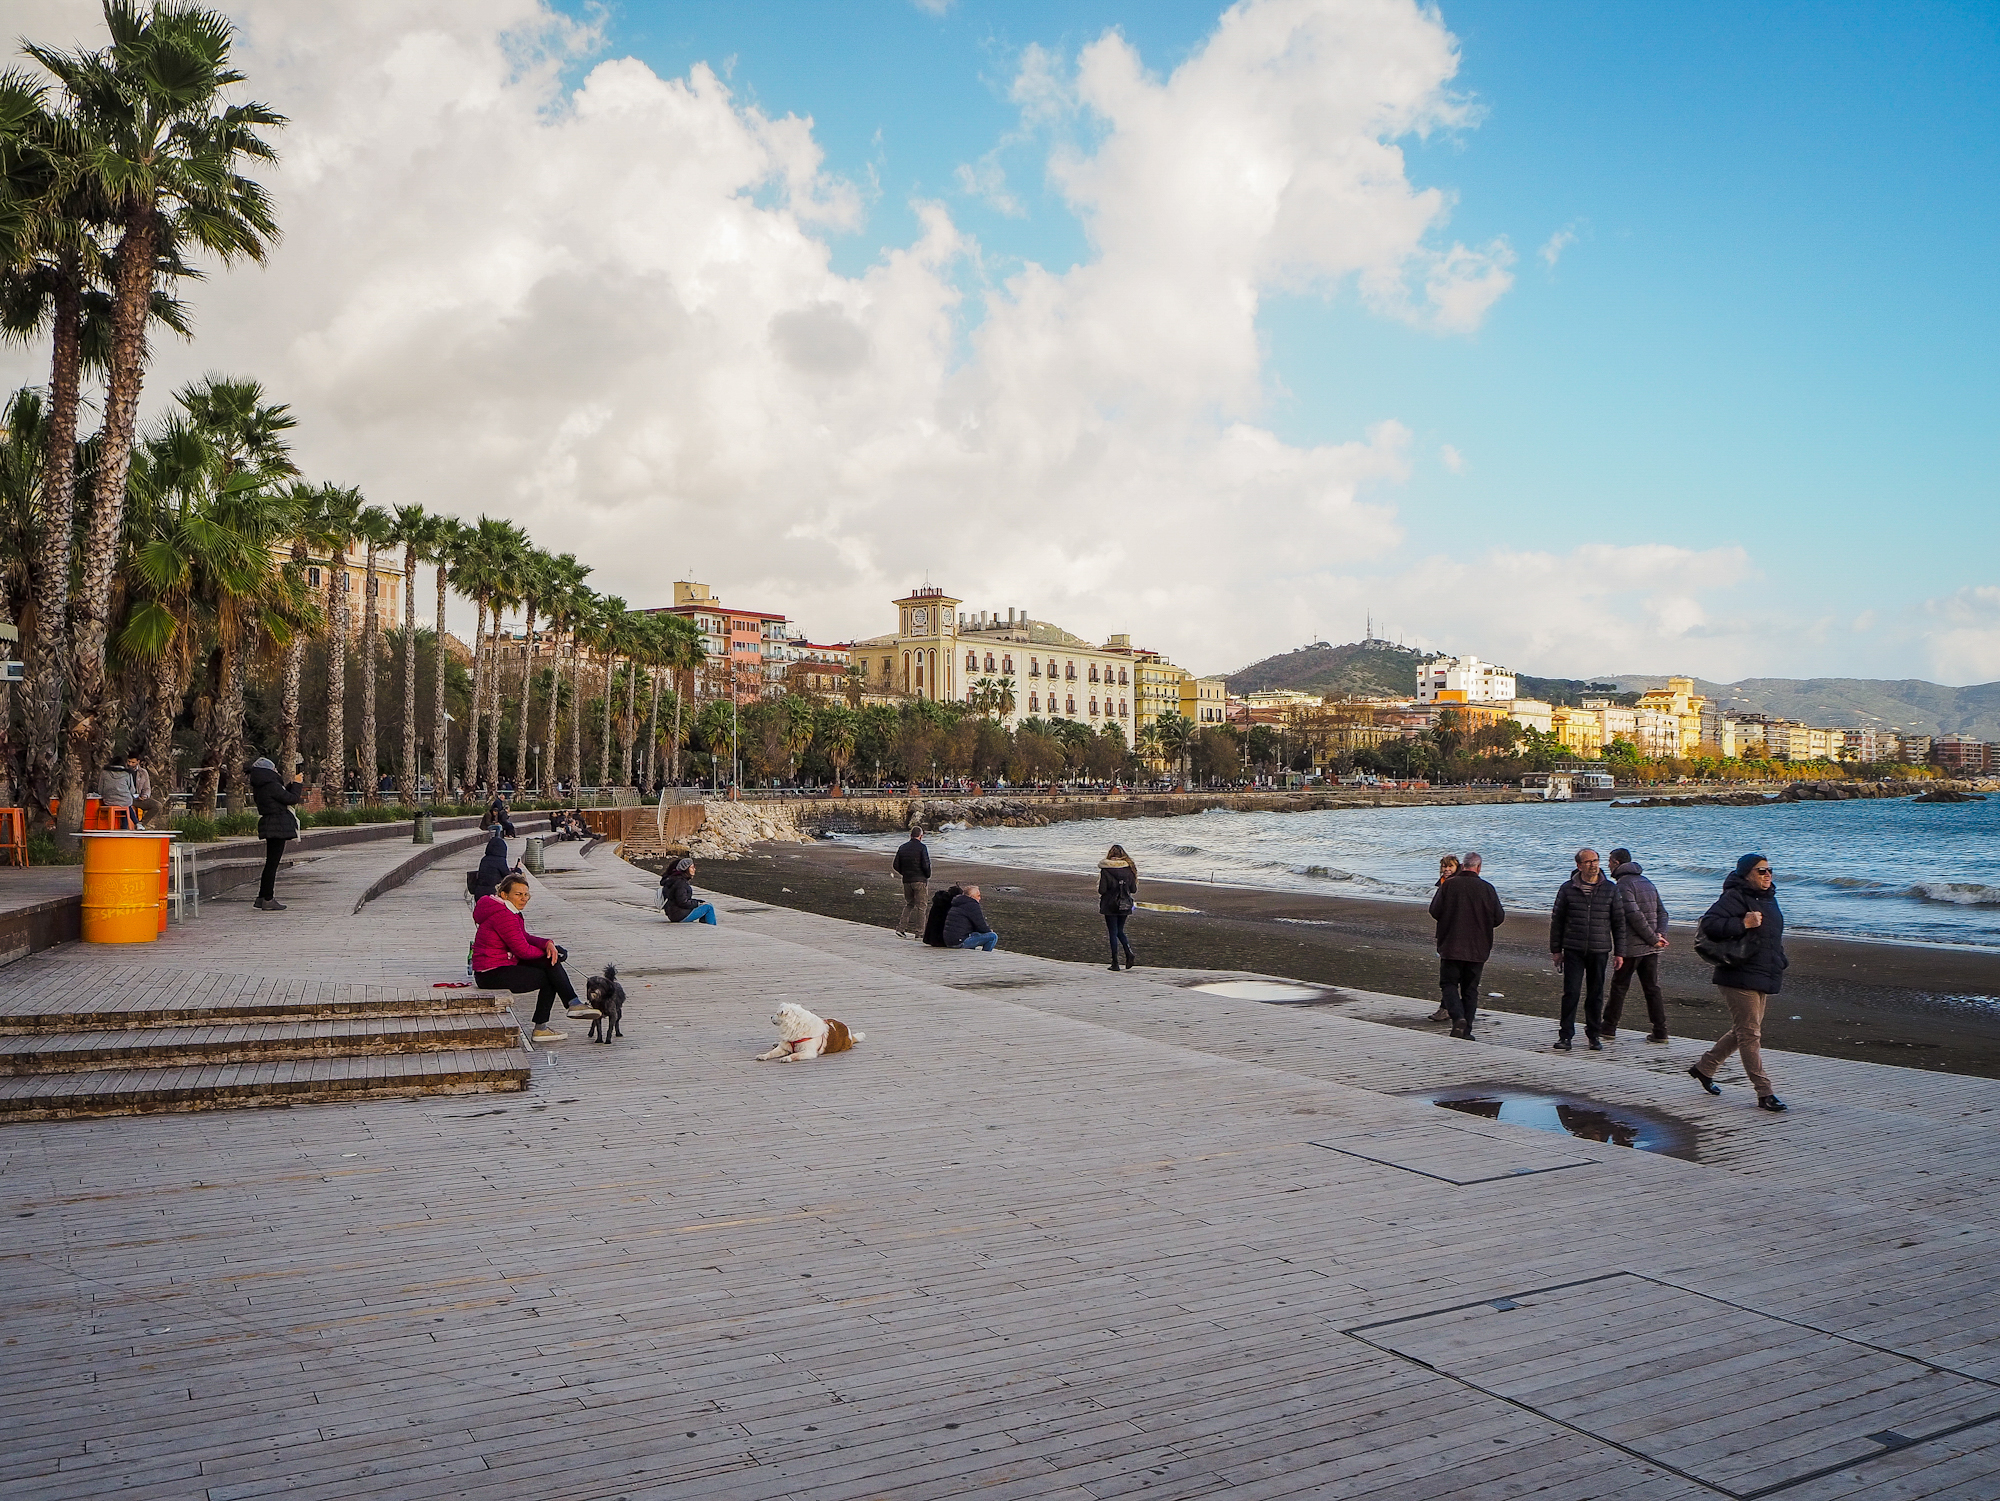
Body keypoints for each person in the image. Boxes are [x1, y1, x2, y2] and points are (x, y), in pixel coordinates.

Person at [1691, 853, 1789, 1111]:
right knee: (1750, 1034)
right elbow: (1710, 924)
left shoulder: (1768, 899)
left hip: (1762, 972)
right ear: (1746, 874)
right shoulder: (1734, 897)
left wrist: (1780, 959)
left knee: (1744, 1030)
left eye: (1769, 870)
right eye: (1761, 871)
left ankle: (1705, 1067)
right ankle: (1764, 1092)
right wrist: (1742, 923)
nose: (1767, 875)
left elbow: (1771, 937)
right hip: (1737, 973)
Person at [472, 873, 598, 1043]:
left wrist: (547, 944)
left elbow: (523, 936)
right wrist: (551, 954)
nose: (524, 898)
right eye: (518, 894)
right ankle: (552, 1019)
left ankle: (569, 1006)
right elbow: (523, 950)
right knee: (549, 974)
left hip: (497, 966)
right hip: (491, 973)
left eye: (526, 894)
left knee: (549, 966)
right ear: (504, 894)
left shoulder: (506, 910)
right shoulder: (504, 915)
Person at [1548, 847, 1625, 1051]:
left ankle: (1593, 1035)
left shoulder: (1610, 888)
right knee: (1571, 993)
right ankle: (1565, 1036)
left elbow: (1618, 922)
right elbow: (1557, 920)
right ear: (1579, 865)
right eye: (1589, 861)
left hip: (1599, 949)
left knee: (1596, 994)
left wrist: (1620, 952)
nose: (1593, 865)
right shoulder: (1567, 888)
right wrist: (1556, 949)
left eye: (1596, 860)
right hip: (1573, 947)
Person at [1429, 851, 1505, 1040]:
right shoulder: (1487, 888)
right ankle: (1466, 1029)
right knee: (1470, 989)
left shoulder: (1449, 886)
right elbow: (1499, 917)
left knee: (1449, 984)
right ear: (1478, 868)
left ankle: (1458, 1018)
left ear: (1463, 866)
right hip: (1477, 947)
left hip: (1451, 944)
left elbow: (1434, 910)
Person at [1606, 847, 1670, 1042]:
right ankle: (1660, 1031)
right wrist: (1659, 935)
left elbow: (1634, 916)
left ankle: (1608, 1027)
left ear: (1617, 863)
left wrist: (1654, 938)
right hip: (1651, 947)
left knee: (1619, 986)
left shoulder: (1623, 885)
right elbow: (1663, 913)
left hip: (1633, 947)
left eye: (1609, 861)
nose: (1607, 865)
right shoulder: (1647, 883)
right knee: (1652, 988)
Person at [247, 755, 305, 912]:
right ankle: (268, 898)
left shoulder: (260, 786)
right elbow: (291, 799)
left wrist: (291, 784)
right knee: (272, 864)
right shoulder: (271, 785)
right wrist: (298, 785)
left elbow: (282, 796)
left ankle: (261, 897)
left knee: (270, 862)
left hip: (269, 823)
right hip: (277, 825)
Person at [1428, 855, 1461, 1021]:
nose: (1446, 869)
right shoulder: (1443, 883)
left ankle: (1447, 1008)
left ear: (1457, 867)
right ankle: (1452, 1009)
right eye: (1444, 867)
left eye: (1450, 867)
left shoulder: (1449, 885)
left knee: (1449, 976)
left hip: (1451, 934)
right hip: (1452, 934)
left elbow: (1435, 910)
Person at [1098, 844, 1138, 970]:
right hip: (1124, 904)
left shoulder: (1105, 869)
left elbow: (1102, 890)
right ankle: (1129, 953)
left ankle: (1115, 963)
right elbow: (1133, 889)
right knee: (1120, 930)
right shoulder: (1129, 869)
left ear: (1110, 854)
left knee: (1112, 932)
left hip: (1109, 904)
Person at [892, 825, 931, 940]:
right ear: (921, 836)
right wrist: (926, 875)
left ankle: (901, 929)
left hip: (907, 880)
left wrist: (904, 873)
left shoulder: (903, 847)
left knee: (909, 904)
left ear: (910, 835)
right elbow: (926, 864)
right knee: (921, 906)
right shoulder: (922, 848)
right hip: (919, 880)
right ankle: (919, 932)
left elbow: (895, 865)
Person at [660, 856, 717, 925]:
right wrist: (697, 903)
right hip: (679, 915)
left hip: (673, 913)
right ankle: (712, 927)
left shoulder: (675, 879)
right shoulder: (681, 883)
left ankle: (706, 926)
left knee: (704, 904)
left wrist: (700, 902)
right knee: (708, 907)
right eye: (692, 867)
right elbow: (683, 902)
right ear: (686, 869)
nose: (694, 869)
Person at [942, 883, 998, 951]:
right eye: (978, 895)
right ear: (972, 896)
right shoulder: (972, 905)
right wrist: (989, 931)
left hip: (950, 941)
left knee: (976, 934)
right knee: (993, 936)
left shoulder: (957, 903)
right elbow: (981, 925)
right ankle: (985, 955)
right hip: (959, 942)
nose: (980, 898)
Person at [471, 832, 512, 899]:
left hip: (479, 892)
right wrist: (517, 870)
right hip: (492, 893)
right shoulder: (500, 860)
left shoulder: (484, 859)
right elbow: (508, 875)